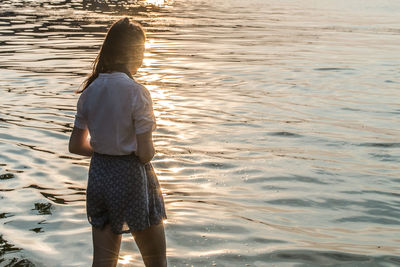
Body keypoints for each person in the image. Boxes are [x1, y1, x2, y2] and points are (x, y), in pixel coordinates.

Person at [68, 17, 167, 267]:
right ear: (134, 53)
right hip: (132, 179)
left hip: (100, 176)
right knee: (156, 261)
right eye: (142, 50)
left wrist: (105, 150)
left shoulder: (89, 91)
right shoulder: (137, 92)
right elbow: (145, 154)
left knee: (103, 262)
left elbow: (76, 146)